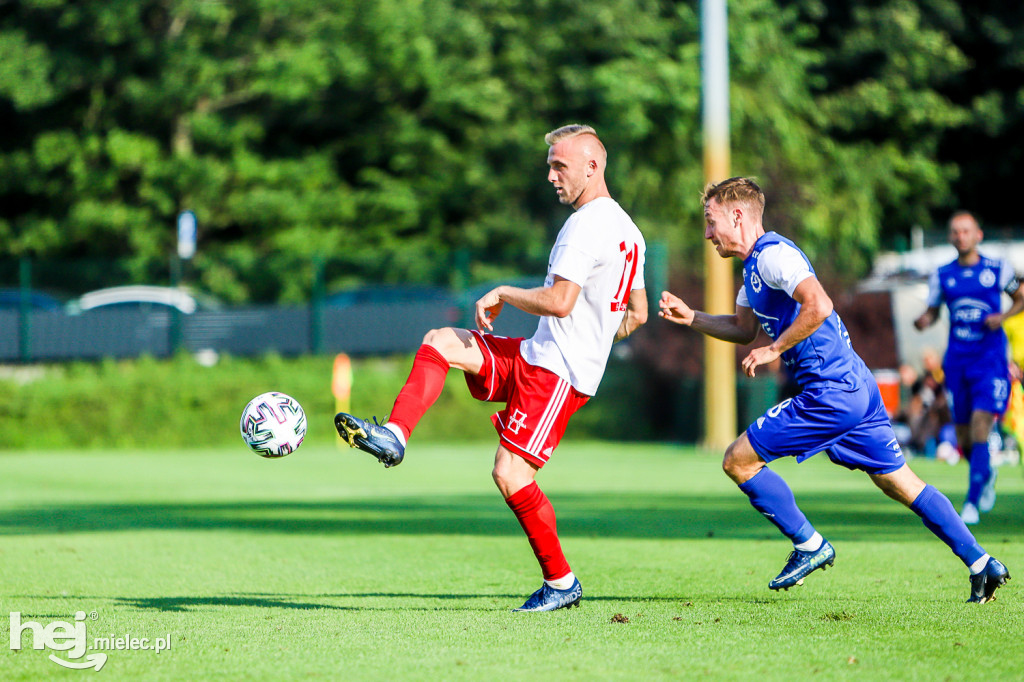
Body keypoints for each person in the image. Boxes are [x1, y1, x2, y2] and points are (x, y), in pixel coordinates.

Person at [335, 124, 648, 612]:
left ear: (593, 166)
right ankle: (396, 434)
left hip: (557, 374)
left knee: (509, 473)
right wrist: (598, 338)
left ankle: (562, 583)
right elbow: (637, 313)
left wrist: (504, 291)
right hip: (538, 355)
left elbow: (561, 302)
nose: (550, 176)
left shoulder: (586, 225)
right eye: (549, 166)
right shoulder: (630, 230)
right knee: (441, 342)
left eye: (559, 166)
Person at [659, 177, 1009, 603]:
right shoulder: (753, 269)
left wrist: (775, 349)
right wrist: (691, 317)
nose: (708, 233)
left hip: (831, 391)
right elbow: (741, 328)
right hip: (853, 386)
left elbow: (819, 304)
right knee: (902, 483)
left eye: (711, 222)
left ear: (737, 215)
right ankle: (981, 562)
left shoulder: (774, 256)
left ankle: (809, 544)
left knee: (738, 461)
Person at [914, 211, 1024, 524]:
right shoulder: (942, 274)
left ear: (978, 235)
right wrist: (924, 320)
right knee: (963, 435)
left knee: (980, 424)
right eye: (955, 231)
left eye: (966, 231)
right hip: (957, 361)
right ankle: (985, 472)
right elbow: (933, 311)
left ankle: (972, 501)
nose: (961, 236)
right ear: (950, 237)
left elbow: (1021, 297)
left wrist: (1001, 318)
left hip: (989, 361)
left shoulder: (997, 269)